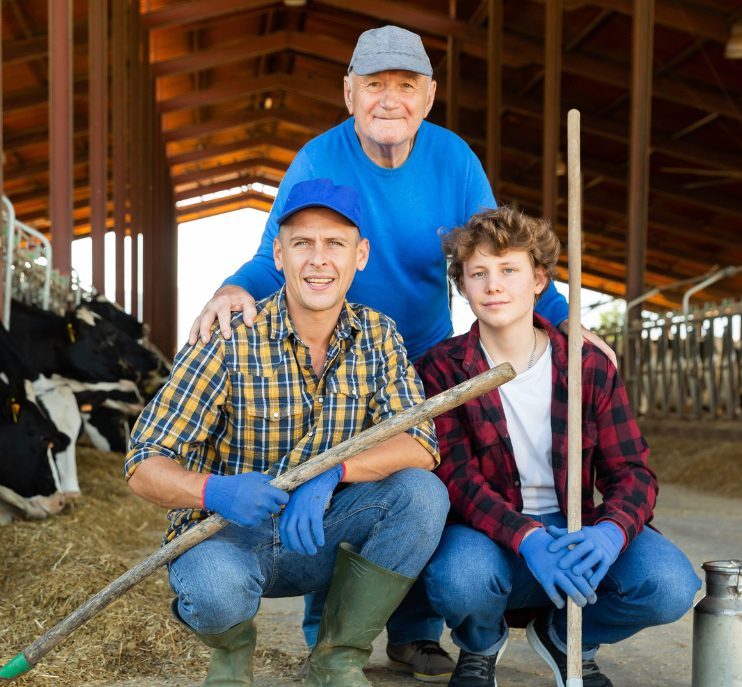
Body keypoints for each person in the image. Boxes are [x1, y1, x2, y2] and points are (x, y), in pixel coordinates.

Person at [186, 24, 615, 682]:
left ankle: (414, 633)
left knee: (421, 489)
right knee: (330, 486)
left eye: (406, 85)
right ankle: (330, 641)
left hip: (424, 358)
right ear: (349, 92)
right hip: (342, 358)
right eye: (375, 84)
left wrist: (565, 320)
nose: (390, 99)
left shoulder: (453, 160)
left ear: (429, 96)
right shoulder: (318, 158)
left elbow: (493, 247)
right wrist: (231, 288)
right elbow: (278, 253)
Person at [124, 179, 449, 687]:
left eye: (335, 243)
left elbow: (421, 445)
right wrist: (215, 491)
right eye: (302, 243)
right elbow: (143, 461)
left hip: (321, 532)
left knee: (422, 495)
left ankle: (336, 659)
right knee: (213, 588)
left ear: (360, 255)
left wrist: (333, 473)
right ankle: (231, 654)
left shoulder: (379, 336)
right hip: (228, 538)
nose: (319, 260)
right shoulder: (229, 337)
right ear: (279, 254)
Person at [416, 207, 701, 687]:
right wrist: (526, 536)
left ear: (539, 280)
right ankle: (481, 644)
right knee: (459, 578)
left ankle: (567, 638)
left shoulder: (586, 365)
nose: (493, 286)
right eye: (478, 273)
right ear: (462, 286)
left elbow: (632, 471)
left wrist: (610, 532)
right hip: (489, 533)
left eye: (509, 270)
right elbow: (456, 480)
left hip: (577, 529)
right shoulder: (442, 369)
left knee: (669, 585)